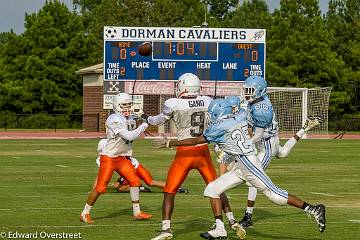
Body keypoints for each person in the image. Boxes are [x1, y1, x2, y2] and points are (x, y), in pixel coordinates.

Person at [163, 98, 326, 239]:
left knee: (274, 195)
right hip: (242, 163)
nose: (210, 117)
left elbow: (195, 141)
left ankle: (313, 209)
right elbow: (248, 121)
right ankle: (220, 229)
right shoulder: (240, 117)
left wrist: (172, 142)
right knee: (212, 189)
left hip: (248, 163)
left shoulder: (219, 127)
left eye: (212, 114)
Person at [148, 73, 242, 240]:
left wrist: (144, 117)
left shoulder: (173, 103)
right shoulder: (207, 101)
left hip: (184, 152)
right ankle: (229, 221)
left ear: (181, 87)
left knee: (170, 191)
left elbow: (157, 121)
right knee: (216, 187)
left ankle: (166, 229)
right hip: (203, 150)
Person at [238, 76, 324, 227]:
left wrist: (242, 144)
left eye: (250, 90)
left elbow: (256, 135)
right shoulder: (256, 102)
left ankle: (248, 216)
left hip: (266, 143)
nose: (247, 93)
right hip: (269, 140)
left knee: (253, 179)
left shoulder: (262, 108)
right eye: (247, 90)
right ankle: (305, 128)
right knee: (283, 153)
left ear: (259, 91)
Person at [80, 92, 152, 224]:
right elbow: (129, 136)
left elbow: (138, 119)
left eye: (129, 105)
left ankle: (137, 212)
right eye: (124, 105)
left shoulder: (128, 117)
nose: (127, 108)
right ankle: (85, 213)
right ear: (116, 106)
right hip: (109, 157)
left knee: (135, 182)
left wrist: (142, 115)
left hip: (121, 157)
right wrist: (142, 126)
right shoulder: (114, 119)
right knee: (101, 187)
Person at [95, 139, 189, 194]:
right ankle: (176, 188)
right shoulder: (113, 153)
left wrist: (118, 181)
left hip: (133, 168)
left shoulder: (112, 156)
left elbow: (126, 168)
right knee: (150, 182)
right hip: (134, 166)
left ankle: (175, 188)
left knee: (119, 187)